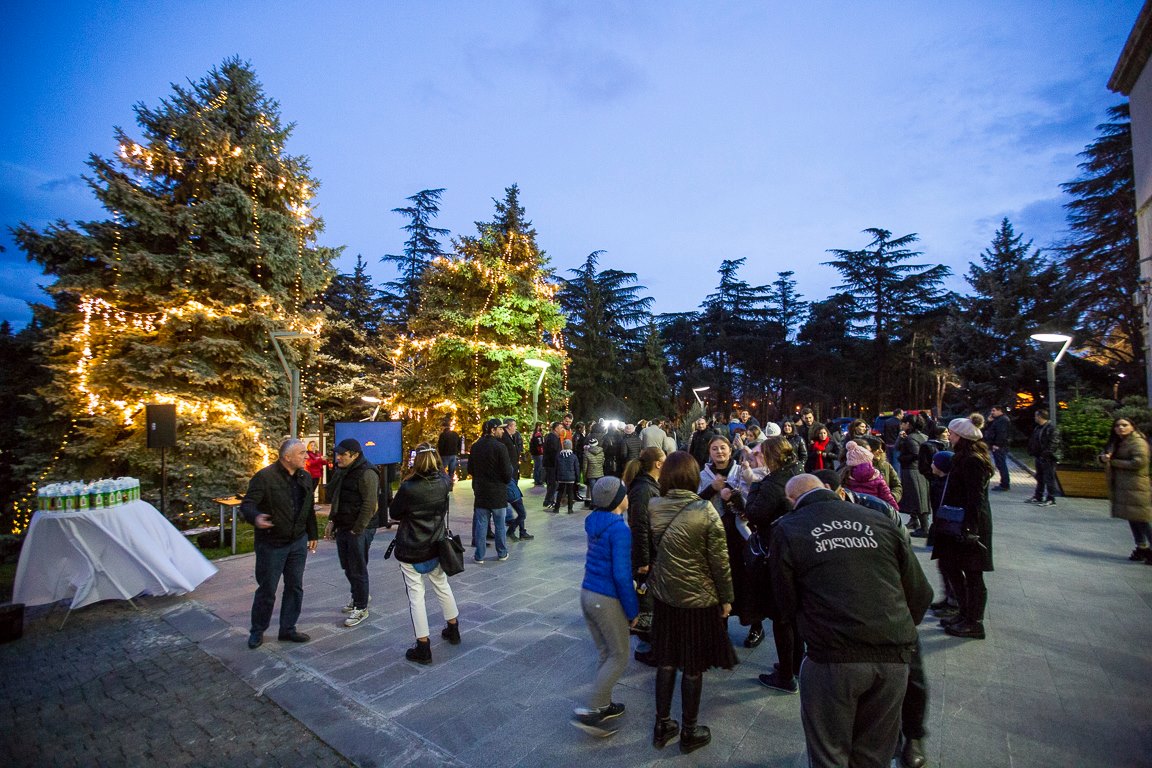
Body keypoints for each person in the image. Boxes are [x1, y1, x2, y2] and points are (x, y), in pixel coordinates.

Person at [771, 473, 933, 768]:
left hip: (832, 655)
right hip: (893, 653)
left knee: (829, 750)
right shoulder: (879, 519)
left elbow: (785, 603)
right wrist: (893, 626)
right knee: (873, 754)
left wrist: (813, 626)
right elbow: (920, 593)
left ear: (792, 500)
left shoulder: (789, 527)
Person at [648, 451, 737, 755]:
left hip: (665, 595)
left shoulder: (654, 505)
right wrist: (726, 598)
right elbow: (720, 561)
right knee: (692, 664)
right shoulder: (705, 510)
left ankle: (662, 724)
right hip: (698, 598)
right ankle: (689, 729)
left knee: (666, 659)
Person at [570, 477, 639, 737]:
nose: (628, 496)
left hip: (587, 593)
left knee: (605, 652)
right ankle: (593, 711)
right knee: (619, 655)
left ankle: (604, 704)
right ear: (618, 500)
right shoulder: (619, 530)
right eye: (625, 493)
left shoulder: (594, 522)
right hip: (606, 598)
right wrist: (632, 611)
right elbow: (621, 575)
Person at [737, 437, 804, 691]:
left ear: (770, 457)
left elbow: (755, 515)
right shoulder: (796, 473)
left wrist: (755, 484)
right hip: (797, 550)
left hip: (777, 553)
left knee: (780, 616)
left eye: (759, 454)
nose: (755, 458)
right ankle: (796, 664)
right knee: (793, 615)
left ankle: (786, 675)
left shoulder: (772, 482)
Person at [240, 438, 319, 649]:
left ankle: (288, 629)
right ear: (287, 457)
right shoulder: (265, 477)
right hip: (272, 543)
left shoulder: (304, 476)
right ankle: (257, 631)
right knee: (267, 589)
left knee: (295, 586)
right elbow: (247, 504)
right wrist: (256, 517)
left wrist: (312, 534)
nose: (306, 456)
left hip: (297, 541)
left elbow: (308, 507)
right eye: (301, 453)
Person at [389, 442, 461, 664]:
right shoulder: (445, 483)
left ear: (416, 462)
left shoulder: (408, 488)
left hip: (411, 547)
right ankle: (453, 629)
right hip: (436, 544)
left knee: (416, 596)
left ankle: (423, 646)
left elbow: (394, 513)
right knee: (442, 585)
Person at [933, 418, 994, 640]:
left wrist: (970, 528)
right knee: (955, 566)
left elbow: (975, 498)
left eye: (952, 433)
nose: (949, 436)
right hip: (961, 524)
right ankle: (964, 614)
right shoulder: (963, 457)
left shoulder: (973, 460)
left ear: (962, 436)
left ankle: (974, 622)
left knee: (973, 573)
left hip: (971, 526)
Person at [324, 438, 380, 628]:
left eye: (342, 454)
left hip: (360, 527)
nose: (338, 458)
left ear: (355, 455)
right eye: (337, 454)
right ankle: (359, 595)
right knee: (347, 565)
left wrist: (358, 529)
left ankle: (361, 606)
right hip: (344, 524)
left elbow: (370, 504)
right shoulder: (343, 470)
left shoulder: (367, 472)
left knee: (357, 567)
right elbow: (337, 497)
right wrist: (332, 520)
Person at [623, 447, 665, 664]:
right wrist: (643, 561)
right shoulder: (643, 489)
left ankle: (650, 644)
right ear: (658, 463)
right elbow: (639, 526)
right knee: (646, 600)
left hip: (650, 553)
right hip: (646, 556)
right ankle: (646, 647)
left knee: (649, 599)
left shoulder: (649, 485)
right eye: (664, 459)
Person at [1099, 417, 1152, 564]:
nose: (1121, 428)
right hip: (1124, 486)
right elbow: (1106, 456)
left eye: (1124, 425)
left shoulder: (1138, 442)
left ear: (1132, 426)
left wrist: (1113, 462)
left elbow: (1139, 462)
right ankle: (1141, 547)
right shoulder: (1117, 442)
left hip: (1137, 486)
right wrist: (1103, 458)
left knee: (1142, 519)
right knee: (1133, 518)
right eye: (1117, 425)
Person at [470, 418, 513, 564]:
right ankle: (502, 553)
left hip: (481, 492)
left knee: (481, 525)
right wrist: (504, 480)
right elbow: (507, 472)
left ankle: (479, 556)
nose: (502, 431)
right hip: (498, 492)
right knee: (500, 525)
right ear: (492, 430)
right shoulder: (500, 447)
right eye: (500, 429)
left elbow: (470, 469)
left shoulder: (475, 447)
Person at [896, 414, 931, 536]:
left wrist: (902, 458)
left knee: (918, 498)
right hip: (918, 470)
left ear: (908, 424)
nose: (901, 425)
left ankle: (924, 528)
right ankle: (914, 521)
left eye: (903, 423)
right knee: (916, 498)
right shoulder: (923, 436)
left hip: (912, 470)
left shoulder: (911, 438)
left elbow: (916, 454)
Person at [842, 440, 900, 511]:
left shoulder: (847, 475)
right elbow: (887, 497)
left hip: (854, 511)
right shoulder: (876, 475)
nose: (881, 451)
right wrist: (895, 510)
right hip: (876, 511)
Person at [1027, 409, 1059, 506]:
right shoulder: (1038, 428)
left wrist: (1046, 454)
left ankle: (1051, 498)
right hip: (1039, 456)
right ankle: (1038, 496)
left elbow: (1054, 443)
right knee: (1040, 478)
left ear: (1040, 417)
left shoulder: (1051, 428)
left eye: (1036, 416)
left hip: (1048, 458)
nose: (1035, 418)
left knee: (1049, 478)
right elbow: (1035, 440)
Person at [985, 406, 1013, 491]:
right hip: (997, 445)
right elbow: (990, 430)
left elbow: (1002, 434)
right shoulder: (997, 420)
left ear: (1000, 410)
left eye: (994, 410)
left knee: (1001, 464)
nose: (992, 412)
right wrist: (989, 422)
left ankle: (1005, 484)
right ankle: (1004, 483)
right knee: (1000, 464)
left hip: (1000, 446)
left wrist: (997, 444)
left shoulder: (1003, 420)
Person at [553, 439, 580, 513]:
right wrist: (578, 479)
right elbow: (576, 468)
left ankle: (556, 508)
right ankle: (570, 509)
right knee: (570, 492)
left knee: (560, 492)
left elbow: (556, 468)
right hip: (571, 478)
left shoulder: (558, 456)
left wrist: (556, 478)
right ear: (571, 446)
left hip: (561, 477)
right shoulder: (573, 456)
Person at [437, 417, 462, 490]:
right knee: (451, 472)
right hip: (453, 455)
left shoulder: (443, 435)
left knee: (441, 471)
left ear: (444, 427)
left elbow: (440, 446)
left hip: (445, 455)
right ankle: (450, 486)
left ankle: (443, 485)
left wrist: (440, 454)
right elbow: (459, 444)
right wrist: (457, 452)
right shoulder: (455, 434)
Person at [543, 421, 563, 507]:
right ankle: (548, 501)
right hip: (551, 465)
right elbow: (554, 453)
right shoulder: (552, 438)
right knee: (553, 484)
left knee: (552, 484)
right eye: (561, 428)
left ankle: (550, 500)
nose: (562, 430)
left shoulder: (554, 437)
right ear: (556, 429)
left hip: (551, 464)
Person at [582, 437, 606, 509]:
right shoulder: (601, 452)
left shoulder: (586, 453)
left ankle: (594, 504)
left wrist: (584, 475)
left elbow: (585, 466)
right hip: (600, 473)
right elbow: (602, 462)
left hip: (591, 474)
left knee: (593, 489)